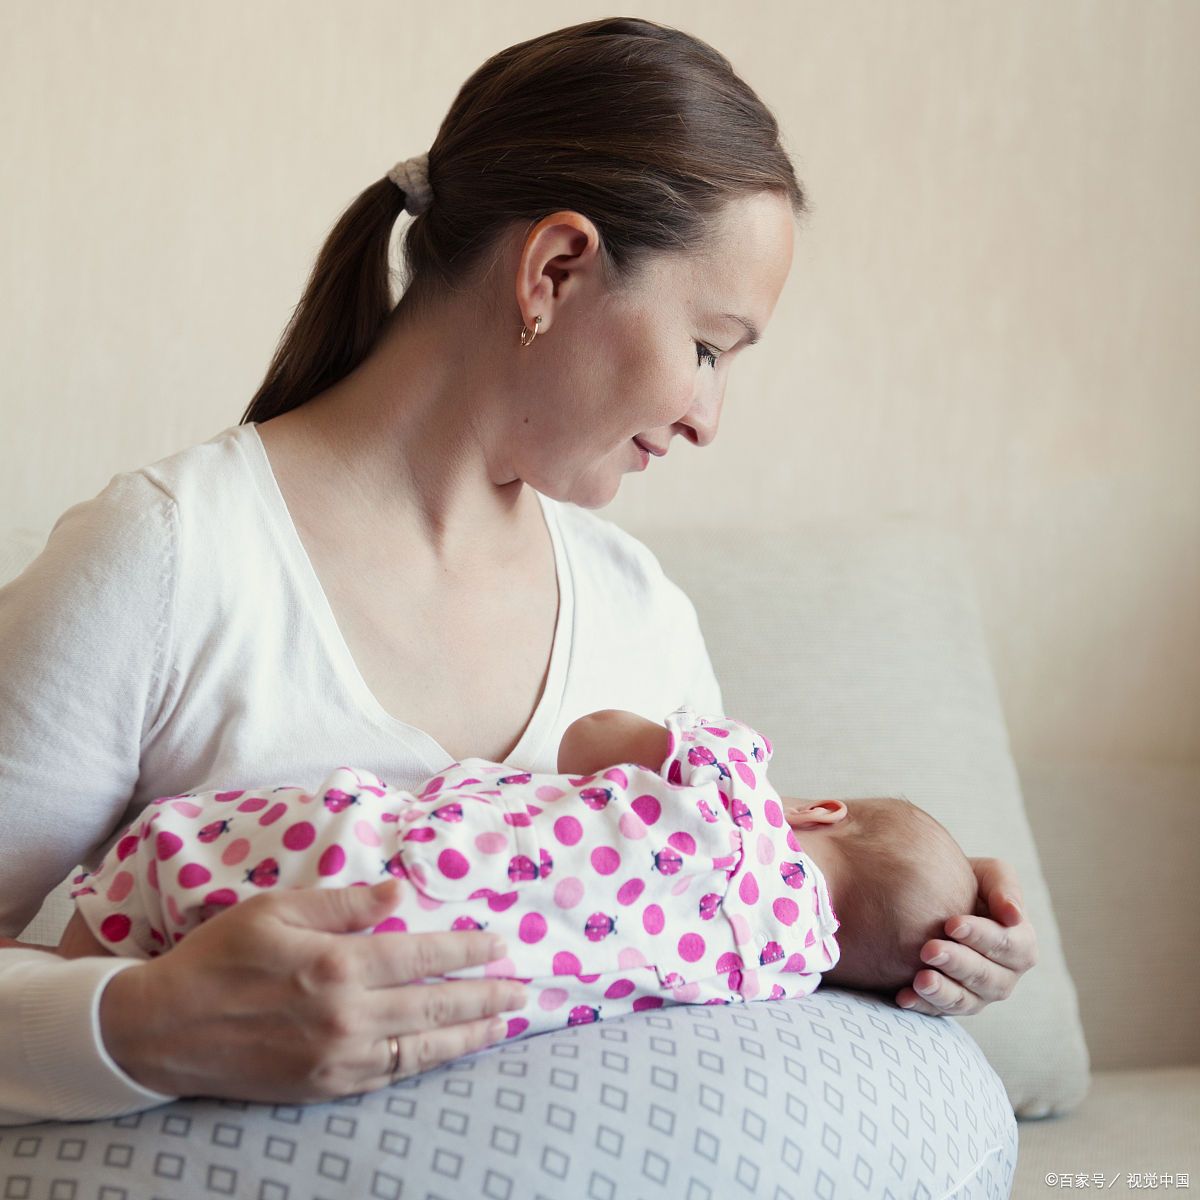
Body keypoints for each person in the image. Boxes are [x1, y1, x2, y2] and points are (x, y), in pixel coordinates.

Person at [0, 16, 1037, 1125]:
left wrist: (904, 938)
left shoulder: (643, 618)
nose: (707, 420)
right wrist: (147, 1021)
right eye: (706, 348)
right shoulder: (166, 560)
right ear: (554, 269)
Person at [57, 706, 978, 1038]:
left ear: (822, 811)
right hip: (428, 976)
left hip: (365, 854)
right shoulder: (773, 978)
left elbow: (590, 739)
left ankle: (75, 960)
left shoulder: (735, 784)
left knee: (158, 866)